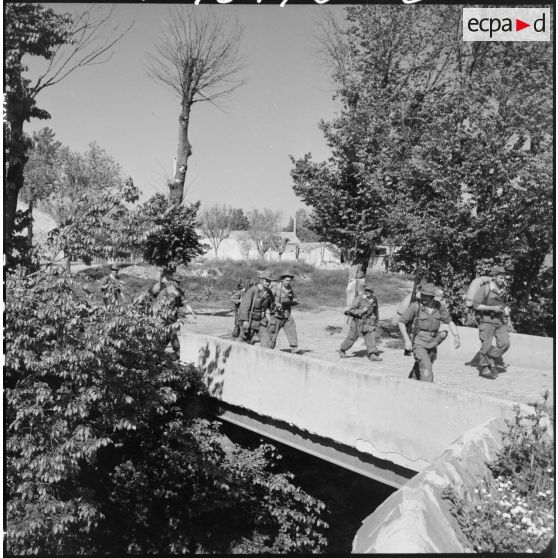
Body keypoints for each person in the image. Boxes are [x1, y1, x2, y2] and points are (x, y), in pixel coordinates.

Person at [398, 283, 460, 382]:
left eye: (426, 296)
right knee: (427, 369)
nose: (423, 298)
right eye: (422, 295)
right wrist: (407, 341)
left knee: (422, 365)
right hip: (418, 341)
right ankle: (428, 392)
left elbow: (449, 321)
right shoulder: (415, 306)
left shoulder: (439, 307)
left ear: (432, 297)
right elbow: (401, 322)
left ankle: (410, 384)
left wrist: (456, 336)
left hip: (433, 342)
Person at [472, 266, 511, 380]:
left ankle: (491, 359)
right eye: (500, 277)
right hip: (486, 320)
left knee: (505, 343)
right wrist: (492, 308)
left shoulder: (504, 290)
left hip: (500, 321)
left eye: (504, 278)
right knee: (486, 345)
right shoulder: (485, 288)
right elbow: (476, 306)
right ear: (494, 277)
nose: (503, 280)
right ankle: (484, 368)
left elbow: (506, 306)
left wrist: (509, 320)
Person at [149, 269, 194, 353]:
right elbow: (158, 304)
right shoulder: (164, 291)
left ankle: (159, 352)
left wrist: (192, 312)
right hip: (163, 317)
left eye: (180, 282)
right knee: (171, 335)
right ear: (172, 281)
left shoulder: (180, 292)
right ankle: (176, 352)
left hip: (173, 317)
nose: (179, 283)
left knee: (170, 335)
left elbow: (185, 302)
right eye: (177, 281)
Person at [339, 284, 382, 362]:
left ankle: (372, 354)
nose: (367, 292)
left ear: (372, 292)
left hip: (368, 322)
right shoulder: (359, 298)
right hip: (357, 321)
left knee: (370, 338)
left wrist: (376, 321)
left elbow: (376, 311)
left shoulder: (374, 299)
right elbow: (351, 310)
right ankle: (342, 350)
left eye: (369, 291)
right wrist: (362, 310)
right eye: (366, 290)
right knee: (352, 338)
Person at [238, 271, 274, 348]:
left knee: (267, 343)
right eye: (266, 281)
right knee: (243, 341)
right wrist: (245, 320)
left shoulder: (269, 292)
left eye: (269, 281)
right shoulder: (253, 290)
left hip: (262, 321)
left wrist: (275, 306)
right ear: (261, 280)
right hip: (251, 320)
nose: (268, 283)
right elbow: (244, 306)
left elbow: (271, 306)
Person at [269, 271, 300, 354]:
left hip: (287, 314)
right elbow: (269, 299)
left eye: (289, 281)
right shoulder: (276, 287)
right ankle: (269, 349)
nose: (288, 282)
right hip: (276, 315)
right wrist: (275, 304)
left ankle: (294, 348)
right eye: (286, 280)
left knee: (292, 330)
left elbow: (292, 298)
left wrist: (295, 301)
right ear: (282, 280)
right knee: (272, 334)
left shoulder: (290, 289)